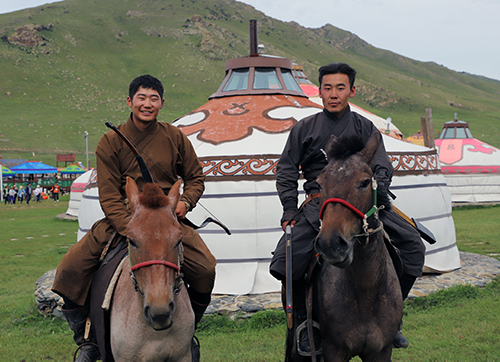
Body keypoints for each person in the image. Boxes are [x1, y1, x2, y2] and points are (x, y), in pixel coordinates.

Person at [52, 75, 216, 362]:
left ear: (162, 103)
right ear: (130, 101)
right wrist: (132, 227)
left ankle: (188, 333)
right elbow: (109, 196)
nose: (147, 104)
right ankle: (88, 341)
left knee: (205, 267)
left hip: (167, 220)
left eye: (154, 99)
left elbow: (195, 178)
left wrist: (186, 203)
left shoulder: (175, 137)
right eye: (141, 98)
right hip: (125, 221)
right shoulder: (110, 143)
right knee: (69, 269)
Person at [269, 62, 425, 355]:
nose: (333, 94)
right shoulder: (305, 128)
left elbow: (381, 162)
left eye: (340, 88)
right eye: (327, 88)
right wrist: (290, 209)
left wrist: (379, 180)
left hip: (363, 201)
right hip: (321, 202)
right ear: (319, 92)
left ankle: (393, 320)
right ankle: (305, 325)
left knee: (413, 246)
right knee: (286, 261)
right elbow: (286, 169)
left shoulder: (365, 127)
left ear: (351, 90)